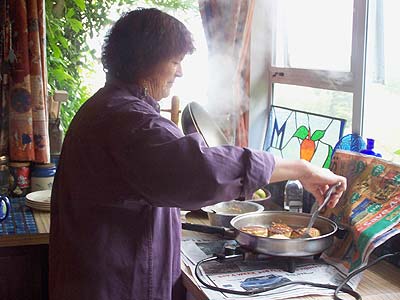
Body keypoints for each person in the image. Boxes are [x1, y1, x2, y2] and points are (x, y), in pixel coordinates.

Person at [49, 8, 347, 300]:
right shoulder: (131, 122)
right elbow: (202, 172)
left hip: (98, 272)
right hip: (115, 283)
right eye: (175, 61)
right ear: (145, 61)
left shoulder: (108, 106)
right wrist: (302, 169)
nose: (180, 71)